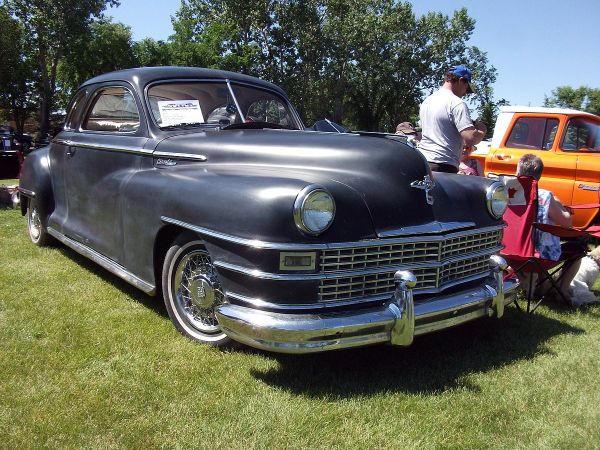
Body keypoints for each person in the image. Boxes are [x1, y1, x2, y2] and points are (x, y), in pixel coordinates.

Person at [516, 153, 582, 299]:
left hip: (511, 253)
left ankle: (539, 286)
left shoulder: (509, 193)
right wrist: (562, 206)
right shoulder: (544, 196)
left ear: (518, 172)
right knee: (578, 248)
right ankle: (561, 290)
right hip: (537, 256)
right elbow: (567, 223)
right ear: (539, 176)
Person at [418, 64, 487, 173]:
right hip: (443, 164)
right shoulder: (457, 103)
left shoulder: (427, 101)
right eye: (466, 88)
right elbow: (470, 138)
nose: (465, 93)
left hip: (423, 162)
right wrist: (482, 130)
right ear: (461, 80)